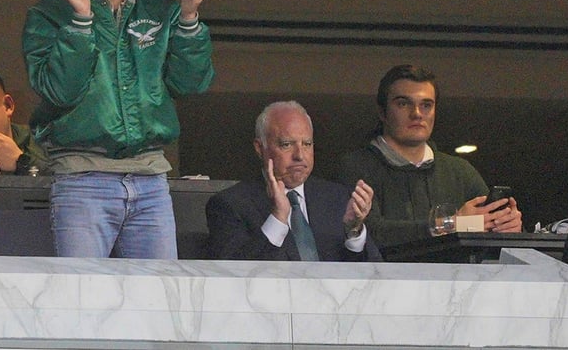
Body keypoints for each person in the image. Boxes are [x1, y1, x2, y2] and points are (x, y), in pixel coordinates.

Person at [22, 0, 214, 258]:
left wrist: (188, 18)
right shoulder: (49, 14)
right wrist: (81, 22)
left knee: (156, 302)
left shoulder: (160, 11)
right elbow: (59, 92)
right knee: (85, 301)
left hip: (151, 178)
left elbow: (190, 84)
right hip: (82, 179)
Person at [337, 64, 523, 249]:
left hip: (457, 278)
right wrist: (451, 224)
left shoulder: (460, 170)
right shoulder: (356, 166)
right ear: (382, 112)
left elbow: (489, 226)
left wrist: (509, 226)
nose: (417, 113)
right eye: (403, 103)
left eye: (426, 105)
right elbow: (369, 233)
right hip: (386, 278)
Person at [206, 101, 381, 262]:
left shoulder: (337, 197)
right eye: (286, 144)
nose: (299, 155)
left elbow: (375, 274)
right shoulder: (230, 205)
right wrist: (277, 219)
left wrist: (354, 232)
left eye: (307, 144)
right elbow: (231, 276)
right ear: (260, 148)